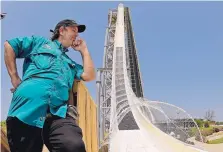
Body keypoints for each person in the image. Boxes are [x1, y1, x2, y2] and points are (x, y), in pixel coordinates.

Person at [4, 19, 95, 152]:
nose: (77, 35)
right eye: (73, 30)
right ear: (62, 30)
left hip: (58, 113)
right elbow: (10, 45)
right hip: (26, 110)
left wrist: (84, 50)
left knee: (73, 146)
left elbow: (89, 75)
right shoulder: (39, 43)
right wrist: (14, 77)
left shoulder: (71, 63)